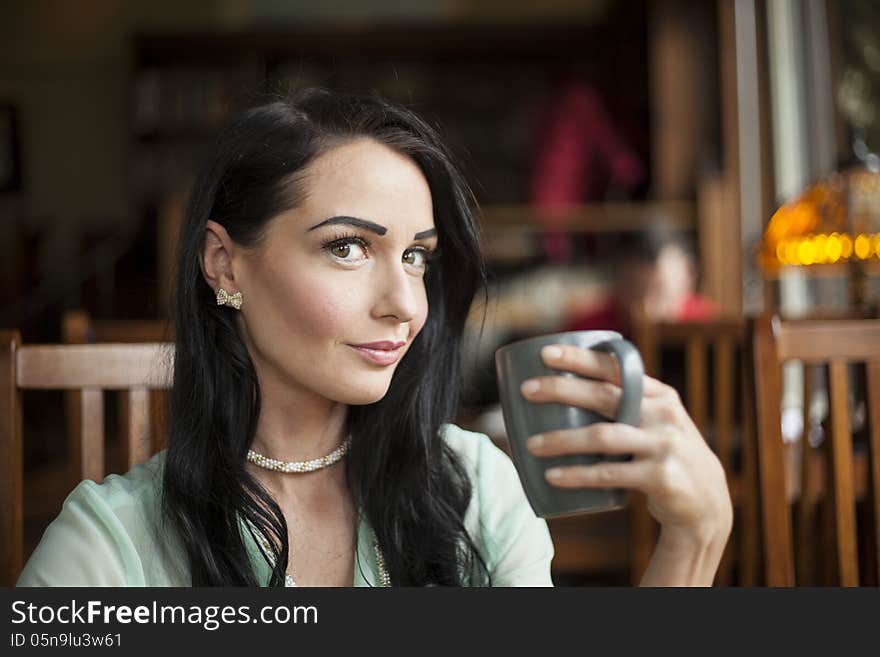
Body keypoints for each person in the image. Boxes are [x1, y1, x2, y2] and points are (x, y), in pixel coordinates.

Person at [18, 88, 731, 587]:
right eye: (349, 248)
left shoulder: (476, 488)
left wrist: (695, 541)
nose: (404, 306)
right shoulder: (109, 546)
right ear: (223, 263)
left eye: (417, 256)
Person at [563, 228, 719, 338]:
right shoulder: (589, 332)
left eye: (660, 295)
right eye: (635, 296)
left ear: (689, 273)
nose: (648, 311)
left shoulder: (714, 329)